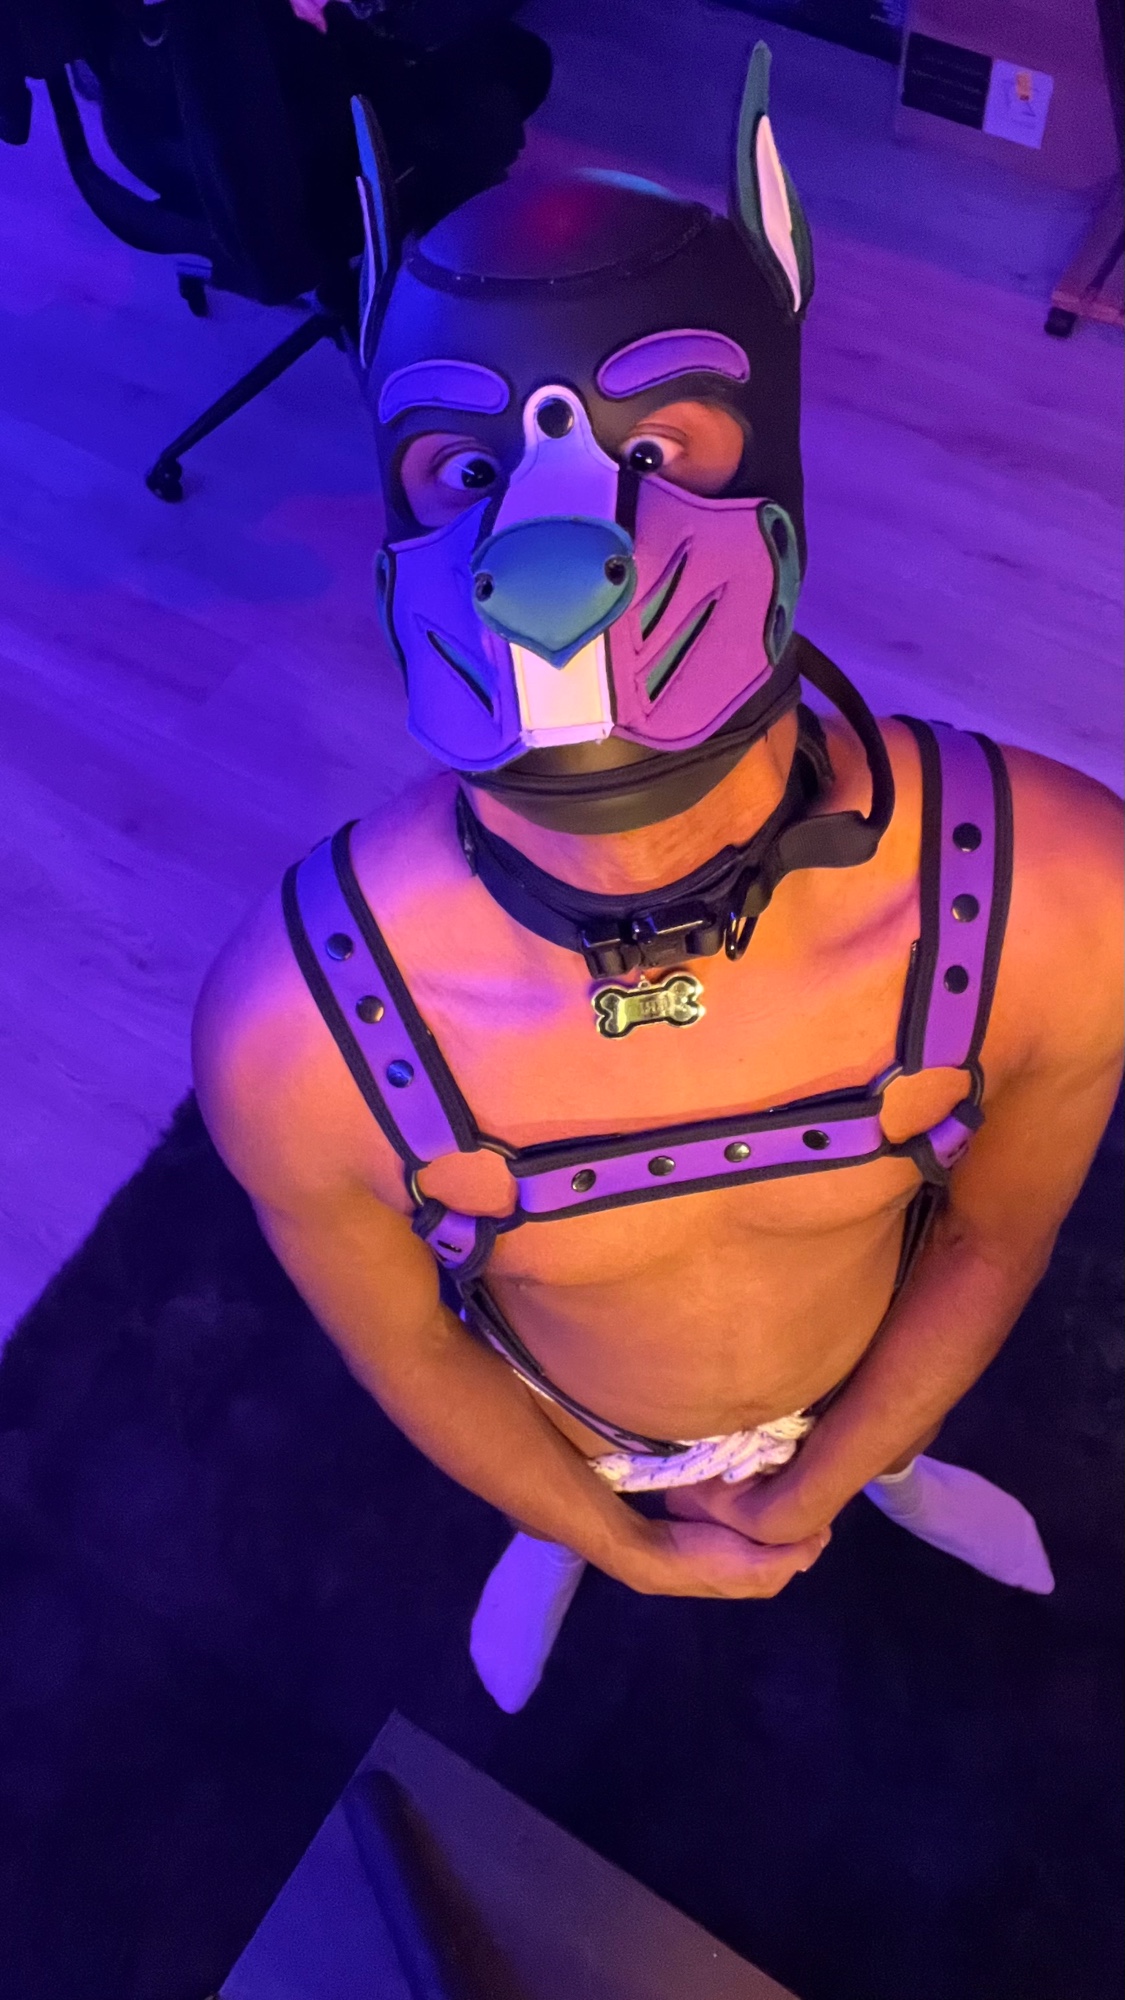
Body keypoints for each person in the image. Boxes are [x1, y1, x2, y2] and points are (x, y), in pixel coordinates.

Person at [193, 48, 1123, 1714]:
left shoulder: (1052, 898)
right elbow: (406, 1345)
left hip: (864, 1377)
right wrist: (605, 1533)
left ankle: (891, 1475)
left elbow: (994, 1240)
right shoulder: (297, 1041)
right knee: (563, 1489)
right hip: (573, 1424)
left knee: (885, 1443)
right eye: (463, 468)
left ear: (778, 474)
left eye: (669, 441)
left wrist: (829, 1475)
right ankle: (559, 1533)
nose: (555, 555)